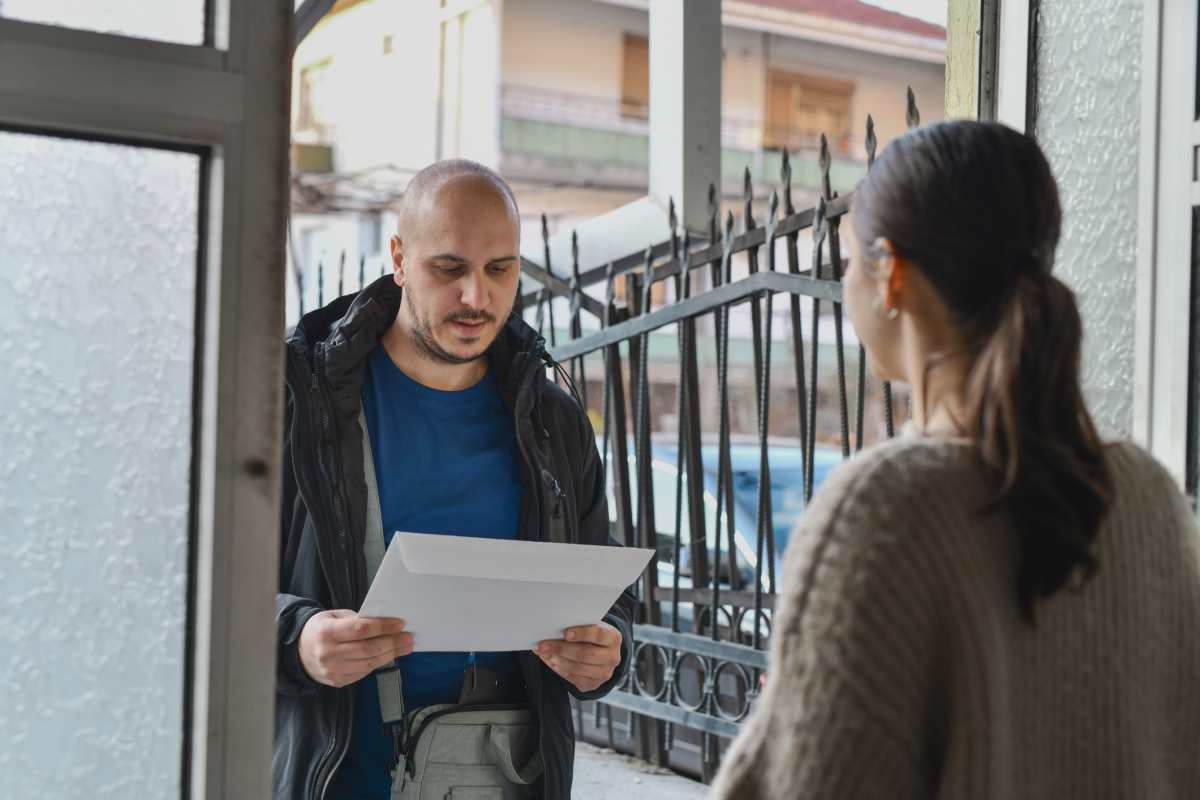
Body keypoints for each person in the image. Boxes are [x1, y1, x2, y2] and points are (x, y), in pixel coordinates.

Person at [711, 121, 1200, 798]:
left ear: (891, 276)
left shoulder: (880, 509)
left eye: (849, 259)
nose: (846, 283)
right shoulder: (1152, 500)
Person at [273, 159, 637, 800]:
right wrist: (297, 640)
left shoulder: (553, 419)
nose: (477, 297)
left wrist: (609, 651)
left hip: (509, 778)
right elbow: (202, 587)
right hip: (334, 779)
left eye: (500, 270)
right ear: (398, 258)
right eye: (449, 269)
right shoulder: (296, 397)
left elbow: (604, 587)